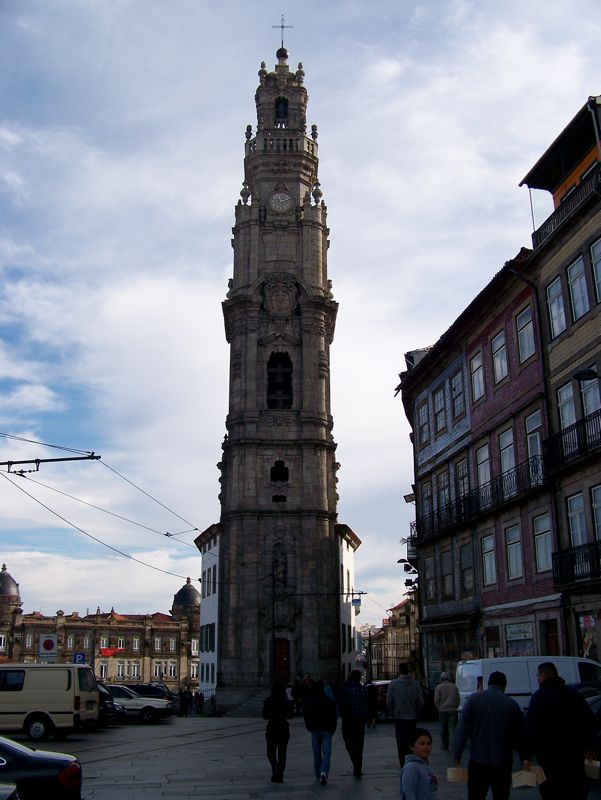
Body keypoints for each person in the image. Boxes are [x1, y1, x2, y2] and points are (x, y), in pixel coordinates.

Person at [525, 661, 597, 800]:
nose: (537, 678)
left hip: (549, 756)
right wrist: (589, 745)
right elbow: (588, 720)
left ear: (545, 675)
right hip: (573, 754)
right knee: (575, 790)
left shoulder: (539, 697)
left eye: (538, 675)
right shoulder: (573, 694)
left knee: (551, 791)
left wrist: (527, 754)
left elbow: (531, 726)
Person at [454, 670, 527, 800]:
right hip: (502, 761)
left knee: (476, 795)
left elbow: (462, 730)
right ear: (504, 685)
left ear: (489, 684)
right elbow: (521, 735)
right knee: (501, 795)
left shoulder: (474, 700)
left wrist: (457, 754)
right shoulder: (512, 704)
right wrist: (524, 758)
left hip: (478, 760)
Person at [387, 663, 424, 767]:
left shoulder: (393, 684)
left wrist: (392, 713)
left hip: (399, 717)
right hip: (412, 717)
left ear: (399, 670)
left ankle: (403, 764)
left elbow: (389, 701)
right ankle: (411, 763)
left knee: (401, 744)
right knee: (411, 742)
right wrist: (418, 712)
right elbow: (421, 701)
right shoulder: (415, 684)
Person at [303, 680, 338, 785]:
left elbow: (306, 714)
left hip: (314, 729)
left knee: (317, 754)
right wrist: (333, 728)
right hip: (327, 730)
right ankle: (323, 772)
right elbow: (334, 716)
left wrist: (308, 726)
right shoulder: (329, 701)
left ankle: (318, 774)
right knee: (327, 753)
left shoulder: (310, 701)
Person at [338, 669, 368, 778]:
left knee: (348, 743)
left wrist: (342, 714)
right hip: (360, 721)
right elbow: (366, 705)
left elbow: (341, 703)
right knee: (360, 745)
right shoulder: (364, 690)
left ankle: (356, 764)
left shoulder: (347, 689)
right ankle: (358, 767)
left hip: (349, 720)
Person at [262, 683, 294, 784]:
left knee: (270, 752)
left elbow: (264, 715)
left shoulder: (269, 701)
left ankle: (275, 769)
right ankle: (279, 773)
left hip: (272, 728)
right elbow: (290, 715)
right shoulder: (286, 702)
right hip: (283, 728)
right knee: (282, 752)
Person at [400, 727, 438, 800]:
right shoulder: (411, 768)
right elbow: (408, 794)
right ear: (412, 746)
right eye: (422, 744)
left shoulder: (426, 766)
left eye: (429, 743)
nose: (426, 747)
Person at [433, 671, 459, 751]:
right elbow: (458, 698)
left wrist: (439, 708)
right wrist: (455, 706)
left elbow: (436, 700)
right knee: (453, 729)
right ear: (449, 678)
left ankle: (445, 745)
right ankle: (454, 745)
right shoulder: (454, 687)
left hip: (443, 710)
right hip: (453, 710)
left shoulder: (439, 687)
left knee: (444, 729)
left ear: (441, 678)